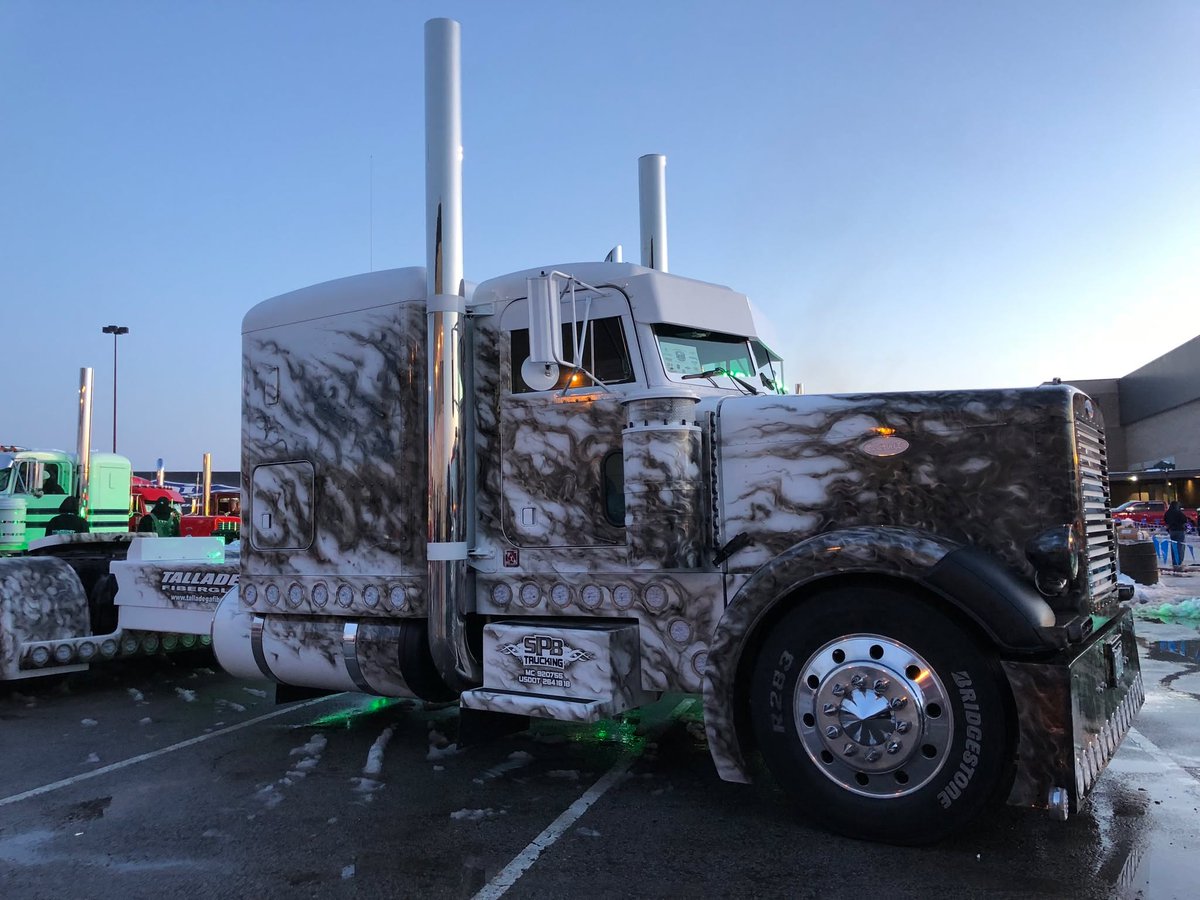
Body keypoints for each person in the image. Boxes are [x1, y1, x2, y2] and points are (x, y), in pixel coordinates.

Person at [1164, 500, 1188, 572]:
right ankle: (1179, 562)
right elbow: (1185, 519)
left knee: (1173, 546)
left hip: (1172, 531)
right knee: (1180, 547)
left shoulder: (1168, 513)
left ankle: (1174, 562)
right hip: (1180, 531)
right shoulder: (1179, 512)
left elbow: (1165, 520)